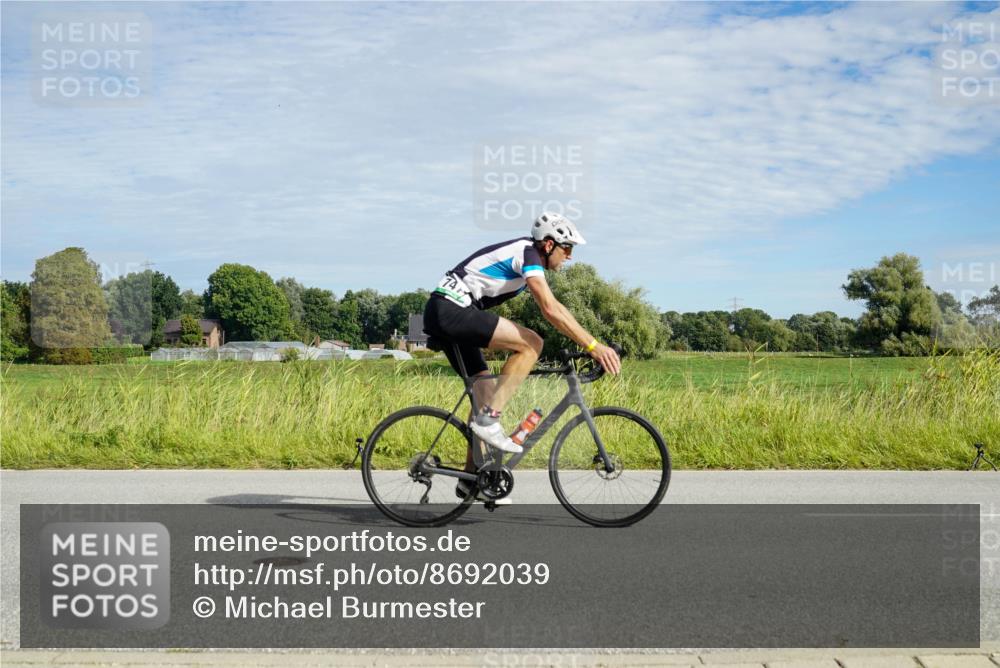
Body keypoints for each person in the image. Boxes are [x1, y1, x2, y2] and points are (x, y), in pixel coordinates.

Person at [422, 212, 622, 501]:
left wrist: (593, 343)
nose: (570, 257)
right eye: (568, 248)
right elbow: (550, 309)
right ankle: (490, 421)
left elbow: (557, 307)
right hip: (451, 310)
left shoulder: (530, 258)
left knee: (485, 391)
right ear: (549, 244)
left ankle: (472, 480)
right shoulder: (528, 252)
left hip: (449, 312)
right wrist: (594, 347)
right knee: (531, 344)